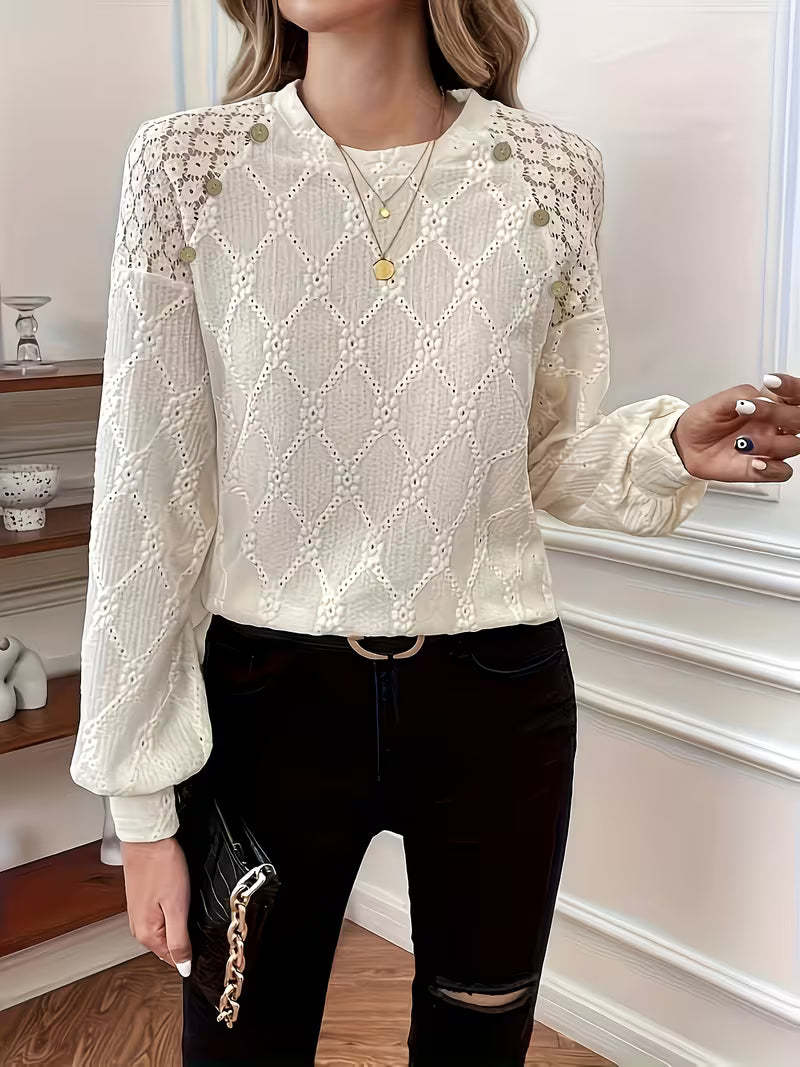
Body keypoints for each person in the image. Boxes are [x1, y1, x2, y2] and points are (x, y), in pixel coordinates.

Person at [69, 2, 799, 1064]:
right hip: (268, 704)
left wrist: (666, 450)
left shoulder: (548, 176)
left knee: (477, 1043)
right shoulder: (190, 169)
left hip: (496, 701)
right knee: (239, 1043)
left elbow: (540, 455)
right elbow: (148, 505)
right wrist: (141, 814)